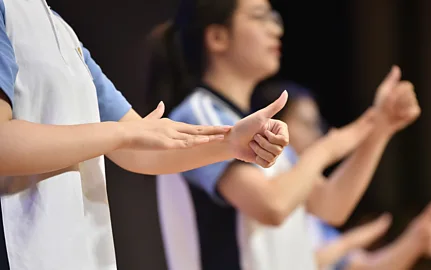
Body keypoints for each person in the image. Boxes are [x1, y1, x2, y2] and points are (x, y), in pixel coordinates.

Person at [0, 1, 291, 269]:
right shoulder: (8, 12)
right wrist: (122, 134)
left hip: (77, 252)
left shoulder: (62, 31)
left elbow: (139, 148)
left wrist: (230, 143)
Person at [148, 0, 422, 269]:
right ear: (218, 37)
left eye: (274, 18)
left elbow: (331, 205)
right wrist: (325, 150)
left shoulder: (253, 124)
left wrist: (381, 126)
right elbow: (272, 205)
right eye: (260, 17)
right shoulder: (197, 115)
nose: (276, 30)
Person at [252, 80, 431, 270]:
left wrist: (415, 242)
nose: (317, 134)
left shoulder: (308, 208)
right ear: (273, 124)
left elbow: (361, 263)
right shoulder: (259, 166)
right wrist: (347, 243)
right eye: (308, 123)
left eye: (317, 124)